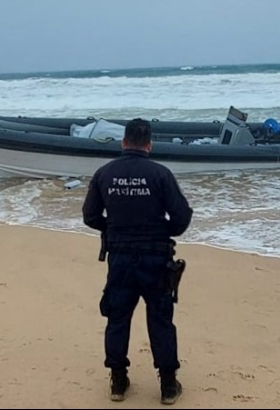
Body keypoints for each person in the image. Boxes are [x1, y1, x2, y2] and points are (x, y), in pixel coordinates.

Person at [82, 118, 193, 405]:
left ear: (123, 143)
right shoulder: (160, 174)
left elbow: (90, 216)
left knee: (117, 318)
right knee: (161, 320)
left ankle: (118, 381)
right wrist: (159, 231)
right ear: (149, 144)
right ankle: (168, 385)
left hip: (119, 258)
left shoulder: (105, 174)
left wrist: (115, 229)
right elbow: (182, 218)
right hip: (156, 258)